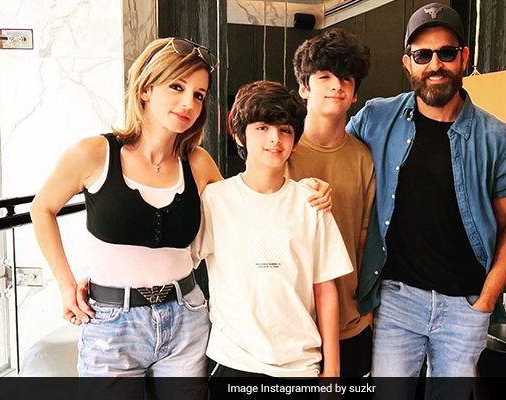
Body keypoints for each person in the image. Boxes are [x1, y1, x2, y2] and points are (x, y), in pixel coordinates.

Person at [30, 38, 330, 395]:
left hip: (186, 317)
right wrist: (66, 285)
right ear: (145, 88)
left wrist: (303, 189)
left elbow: (250, 205)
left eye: (199, 95)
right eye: (177, 87)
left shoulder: (197, 162)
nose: (189, 103)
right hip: (112, 323)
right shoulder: (94, 153)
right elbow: (42, 209)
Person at [346, 3, 506, 399]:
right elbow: (331, 153)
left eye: (446, 52)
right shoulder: (376, 119)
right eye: (422, 55)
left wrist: (486, 301)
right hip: (396, 302)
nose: (435, 65)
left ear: (464, 57)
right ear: (407, 63)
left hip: (466, 307)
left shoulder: (498, 138)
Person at [198, 81, 352, 391]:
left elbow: (326, 290)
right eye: (262, 127)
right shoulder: (214, 200)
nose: (274, 139)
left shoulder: (312, 202)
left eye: (284, 130)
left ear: (295, 141)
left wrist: (332, 372)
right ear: (239, 134)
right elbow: (175, 260)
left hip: (300, 366)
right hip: (233, 361)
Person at [288, 28, 375, 379]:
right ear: (304, 88)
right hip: (292, 324)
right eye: (324, 76)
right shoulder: (280, 151)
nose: (336, 85)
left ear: (355, 93)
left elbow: (364, 241)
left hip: (350, 325)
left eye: (345, 78)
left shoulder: (364, 157)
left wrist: (367, 311)